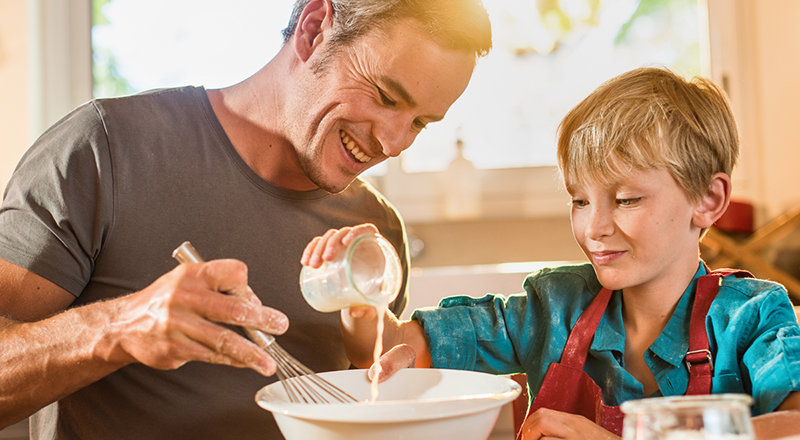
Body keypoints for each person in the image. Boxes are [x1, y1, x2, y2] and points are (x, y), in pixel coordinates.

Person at [0, 0, 492, 439]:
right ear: (313, 30)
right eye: (387, 97)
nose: (394, 144)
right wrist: (120, 328)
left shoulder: (373, 234)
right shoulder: (104, 151)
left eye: (419, 123)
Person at [302, 67, 800, 440]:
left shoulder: (754, 316)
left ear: (707, 200)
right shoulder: (553, 306)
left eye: (626, 200)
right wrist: (358, 296)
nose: (595, 227)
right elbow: (394, 347)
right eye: (579, 200)